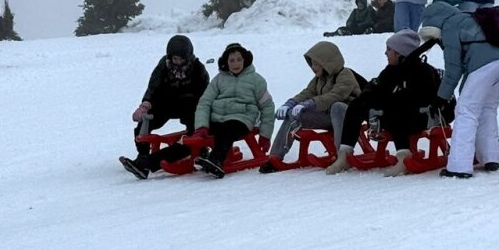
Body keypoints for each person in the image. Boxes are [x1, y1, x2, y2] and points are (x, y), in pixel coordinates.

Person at [419, 0, 499, 179]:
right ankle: (490, 157)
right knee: (487, 107)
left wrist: (441, 98)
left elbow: (453, 70)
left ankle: (459, 166)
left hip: (487, 64)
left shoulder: (449, 27)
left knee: (466, 111)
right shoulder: (470, 19)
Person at [326, 29, 444, 176]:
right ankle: (344, 154)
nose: (385, 53)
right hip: (394, 114)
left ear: (400, 53)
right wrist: (368, 100)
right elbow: (375, 87)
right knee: (357, 105)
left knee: (396, 109)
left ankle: (403, 158)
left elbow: (418, 100)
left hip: (419, 118)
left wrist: (386, 101)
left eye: (389, 50)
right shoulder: (391, 70)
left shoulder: (422, 71)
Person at [261, 40, 363, 173]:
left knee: (337, 106)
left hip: (346, 117)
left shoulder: (345, 75)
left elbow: (336, 95)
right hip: (327, 117)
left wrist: (311, 103)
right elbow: (307, 93)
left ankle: (341, 156)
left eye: (316, 64)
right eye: (312, 64)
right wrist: (290, 103)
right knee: (293, 114)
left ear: (327, 62)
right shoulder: (319, 79)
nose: (313, 67)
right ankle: (275, 157)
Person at [119, 35, 211, 178]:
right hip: (166, 104)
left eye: (181, 59)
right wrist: (145, 105)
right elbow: (153, 87)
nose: (178, 62)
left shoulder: (198, 69)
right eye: (175, 59)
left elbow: (205, 93)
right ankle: (142, 156)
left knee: (194, 126)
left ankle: (200, 148)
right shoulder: (164, 65)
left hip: (190, 106)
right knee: (144, 124)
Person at [191, 43, 275, 178]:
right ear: (226, 62)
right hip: (218, 118)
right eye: (231, 60)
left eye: (239, 59)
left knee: (227, 129)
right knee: (195, 127)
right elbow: (205, 102)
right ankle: (175, 157)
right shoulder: (218, 80)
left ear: (245, 60)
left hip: (242, 118)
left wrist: (265, 135)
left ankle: (215, 160)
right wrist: (201, 126)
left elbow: (268, 106)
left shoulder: (256, 80)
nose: (236, 63)